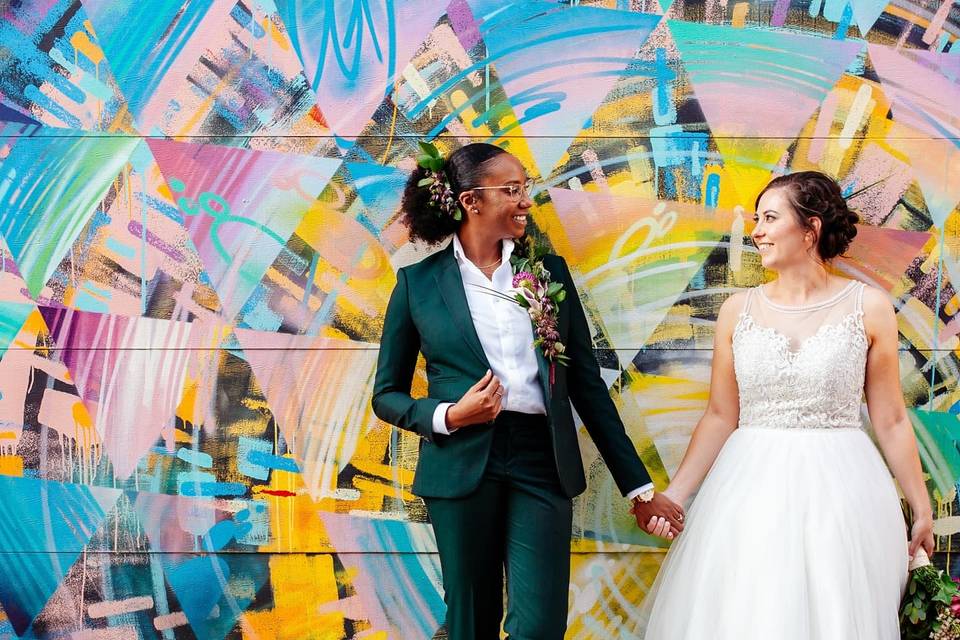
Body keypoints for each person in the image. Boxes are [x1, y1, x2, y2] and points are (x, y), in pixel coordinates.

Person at [371, 142, 685, 639]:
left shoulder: (546, 276)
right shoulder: (417, 285)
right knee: (470, 621)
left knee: (540, 625)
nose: (526, 202)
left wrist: (639, 488)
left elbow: (585, 384)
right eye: (512, 191)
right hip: (460, 460)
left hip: (542, 460)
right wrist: (449, 415)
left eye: (526, 190)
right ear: (472, 201)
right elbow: (385, 394)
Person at [640, 171, 934, 639]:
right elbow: (720, 416)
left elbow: (892, 418)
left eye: (770, 218)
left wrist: (920, 508)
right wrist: (675, 495)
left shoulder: (870, 306)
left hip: (844, 492)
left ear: (810, 229)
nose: (756, 230)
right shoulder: (738, 310)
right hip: (749, 490)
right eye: (757, 219)